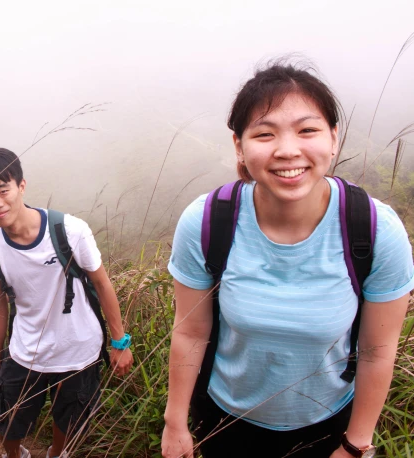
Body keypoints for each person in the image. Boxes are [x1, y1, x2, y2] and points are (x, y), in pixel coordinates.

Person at [161, 63, 414, 458]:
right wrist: (175, 423)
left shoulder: (375, 229)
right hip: (225, 419)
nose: (287, 150)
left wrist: (355, 443)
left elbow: (378, 350)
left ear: (333, 138)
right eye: (264, 133)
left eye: (307, 130)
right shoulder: (207, 221)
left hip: (328, 425)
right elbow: (191, 333)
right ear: (239, 146)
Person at [0, 147, 134, 458]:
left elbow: (102, 282)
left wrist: (119, 341)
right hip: (25, 350)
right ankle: (15, 454)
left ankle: (57, 454)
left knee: (70, 416)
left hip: (79, 348)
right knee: (9, 420)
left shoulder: (70, 230)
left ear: (21, 186)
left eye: (3, 190)